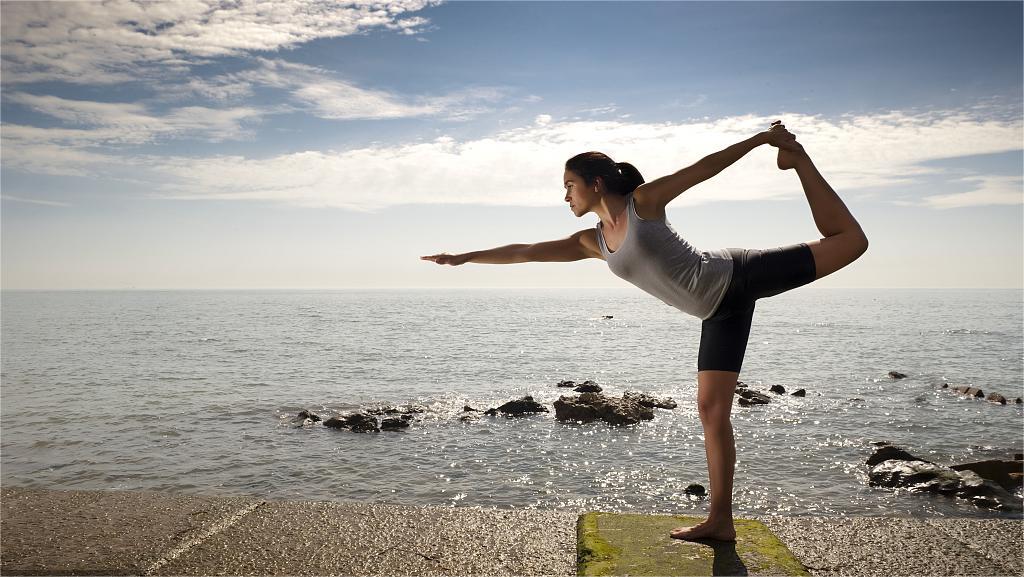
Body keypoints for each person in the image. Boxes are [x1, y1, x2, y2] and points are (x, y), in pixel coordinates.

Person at [421, 120, 869, 542]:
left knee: (851, 242)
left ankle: (800, 160)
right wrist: (465, 257)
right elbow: (526, 251)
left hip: (738, 275)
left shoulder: (643, 204)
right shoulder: (591, 241)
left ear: (595, 184)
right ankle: (720, 520)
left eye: (568, 186)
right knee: (712, 412)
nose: (565, 197)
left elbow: (703, 168)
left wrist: (759, 141)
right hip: (717, 314)